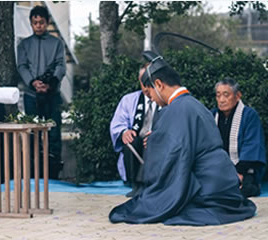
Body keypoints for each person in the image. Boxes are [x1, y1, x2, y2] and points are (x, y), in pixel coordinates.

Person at [109, 51, 256, 226]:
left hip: (207, 189)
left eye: (150, 94)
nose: (153, 100)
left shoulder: (175, 110)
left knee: (142, 206)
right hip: (225, 184)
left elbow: (175, 156)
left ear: (159, 84)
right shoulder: (195, 104)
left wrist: (154, 142)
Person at [17, 5, 66, 179]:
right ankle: (33, 172)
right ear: (31, 23)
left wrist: (50, 83)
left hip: (52, 95)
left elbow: (61, 65)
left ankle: (53, 172)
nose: (38, 26)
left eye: (41, 22)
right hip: (32, 95)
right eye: (35, 22)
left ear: (47, 22)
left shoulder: (57, 43)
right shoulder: (24, 44)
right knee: (32, 133)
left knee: (53, 133)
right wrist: (33, 82)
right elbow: (22, 66)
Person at [212, 77, 266, 198]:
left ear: (237, 96)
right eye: (218, 95)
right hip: (219, 170)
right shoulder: (213, 116)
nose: (221, 100)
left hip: (244, 169)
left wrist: (238, 172)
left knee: (244, 190)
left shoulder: (249, 115)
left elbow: (252, 145)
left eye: (226, 95)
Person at [110, 67, 157, 197]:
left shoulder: (164, 100)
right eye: (144, 84)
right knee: (131, 141)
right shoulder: (128, 100)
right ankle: (136, 185)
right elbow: (117, 123)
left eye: (150, 84)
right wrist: (124, 132)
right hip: (137, 143)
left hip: (155, 142)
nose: (147, 89)